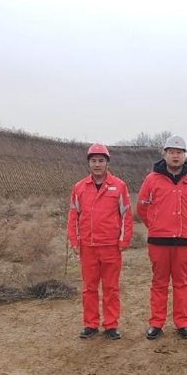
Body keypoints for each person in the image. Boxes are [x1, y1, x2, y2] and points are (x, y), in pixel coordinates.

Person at [137, 135, 187, 340]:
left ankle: (182, 323)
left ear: (184, 155)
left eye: (179, 152)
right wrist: (156, 226)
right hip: (158, 241)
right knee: (159, 283)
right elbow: (142, 208)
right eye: (171, 152)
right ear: (164, 154)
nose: (175, 156)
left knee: (181, 283)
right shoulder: (151, 179)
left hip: (184, 241)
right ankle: (156, 323)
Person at [67, 143, 133, 340]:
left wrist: (124, 240)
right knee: (89, 288)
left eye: (101, 161)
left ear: (107, 163)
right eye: (93, 161)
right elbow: (73, 217)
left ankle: (111, 324)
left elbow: (126, 215)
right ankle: (91, 324)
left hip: (111, 247)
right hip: (88, 247)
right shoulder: (79, 187)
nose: (97, 164)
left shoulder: (119, 186)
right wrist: (74, 241)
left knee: (111, 288)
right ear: (89, 163)